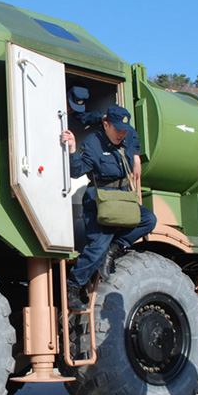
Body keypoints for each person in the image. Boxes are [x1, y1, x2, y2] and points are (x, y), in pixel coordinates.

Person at [60, 106, 155, 312]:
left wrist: (136, 158)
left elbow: (135, 140)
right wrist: (73, 149)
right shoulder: (93, 142)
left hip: (122, 198)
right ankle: (73, 287)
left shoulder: (127, 137)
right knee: (96, 249)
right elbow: (77, 172)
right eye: (117, 129)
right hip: (100, 200)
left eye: (125, 129)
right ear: (106, 125)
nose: (122, 133)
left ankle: (115, 248)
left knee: (148, 220)